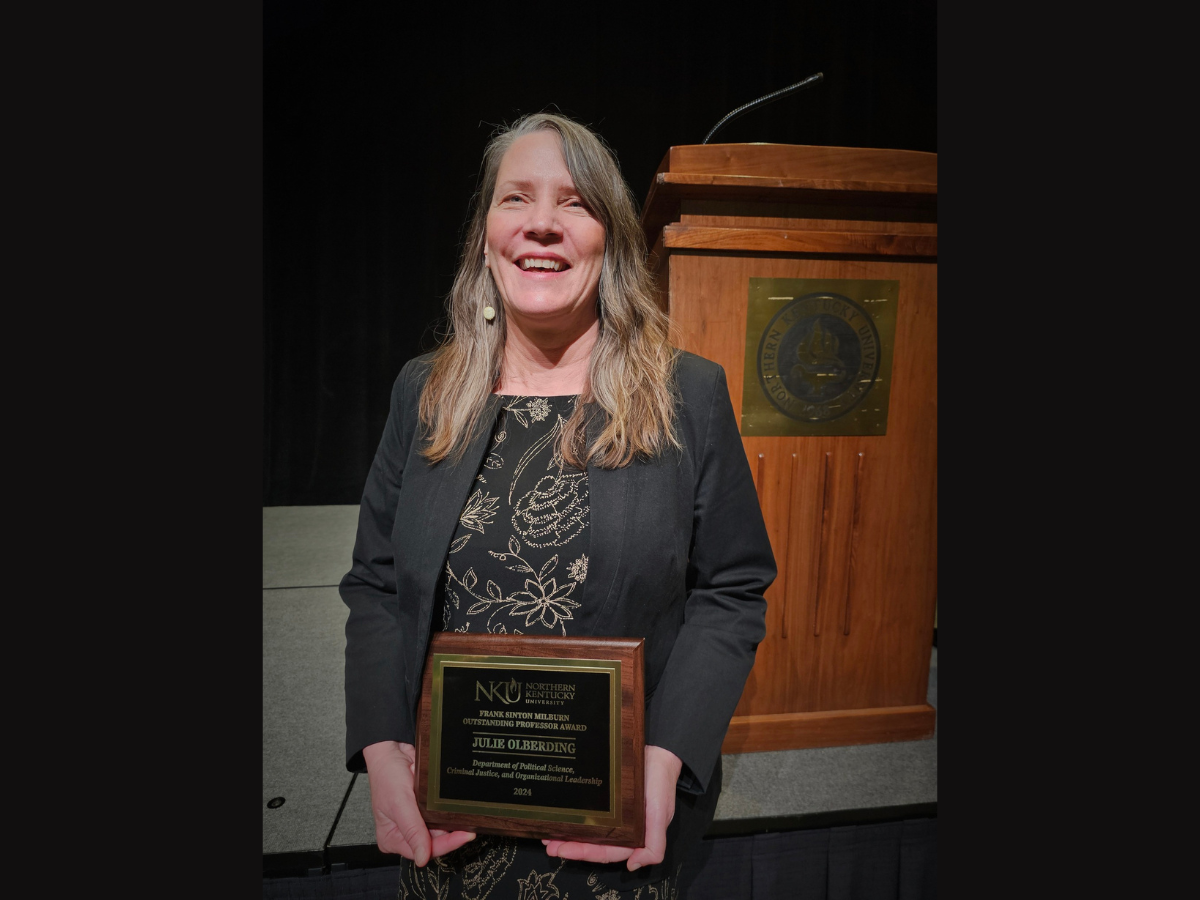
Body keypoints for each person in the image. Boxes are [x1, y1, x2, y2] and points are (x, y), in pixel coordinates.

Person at [340, 112, 775, 899]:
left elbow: (732, 589)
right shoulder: (425, 392)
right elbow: (373, 582)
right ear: (485, 233)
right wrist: (379, 744)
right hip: (448, 836)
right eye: (516, 199)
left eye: (574, 203)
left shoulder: (687, 395)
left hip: (612, 838)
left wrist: (664, 760)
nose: (541, 223)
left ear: (610, 239)